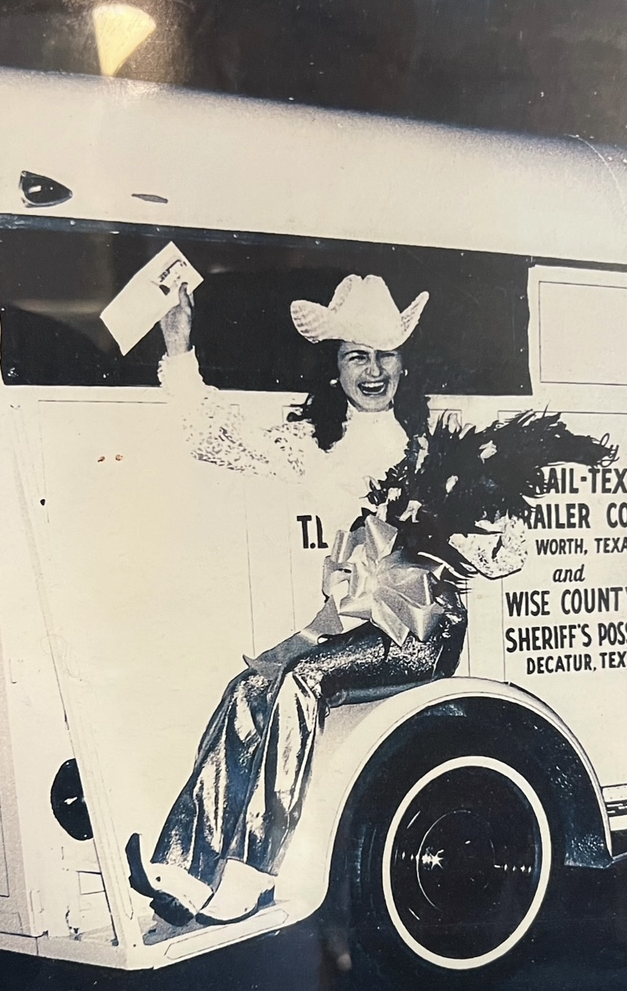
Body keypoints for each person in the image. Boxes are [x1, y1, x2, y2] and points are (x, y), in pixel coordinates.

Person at [125, 274, 475, 926]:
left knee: (301, 681)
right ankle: (187, 865)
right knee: (249, 686)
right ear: (335, 365)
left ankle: (254, 872)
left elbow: (493, 540)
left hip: (420, 633)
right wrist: (179, 348)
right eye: (355, 355)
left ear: (405, 361)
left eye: (384, 354)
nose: (372, 371)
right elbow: (213, 440)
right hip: (353, 619)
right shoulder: (314, 440)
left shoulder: (436, 440)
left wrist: (486, 542)